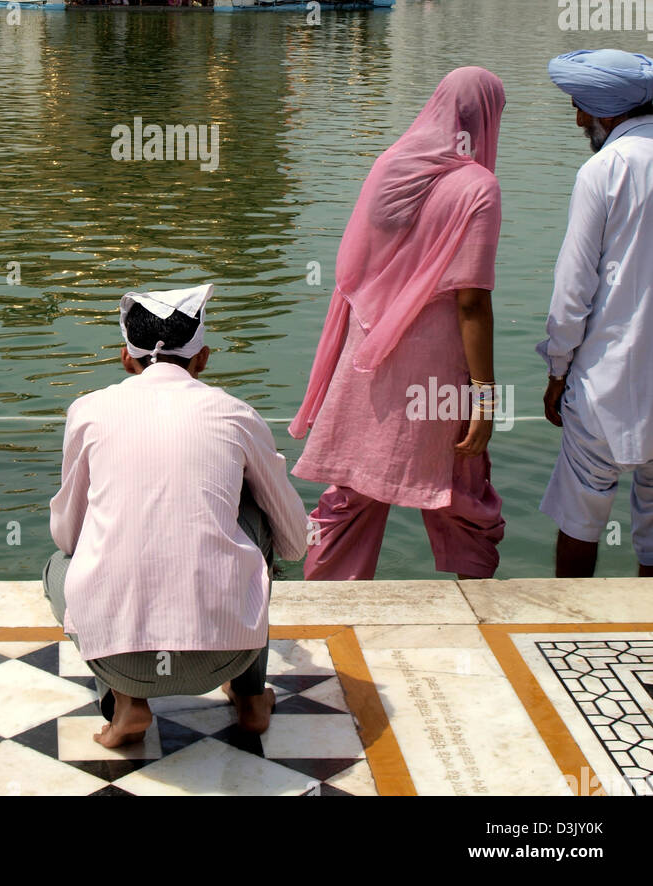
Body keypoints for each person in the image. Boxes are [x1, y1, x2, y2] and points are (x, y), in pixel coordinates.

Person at [43, 283, 308, 748]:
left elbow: (67, 533)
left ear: (126, 358)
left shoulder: (88, 411)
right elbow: (294, 542)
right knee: (256, 517)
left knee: (61, 564)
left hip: (119, 657)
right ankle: (249, 698)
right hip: (227, 651)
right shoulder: (235, 413)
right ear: (202, 358)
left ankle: (124, 702)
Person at [291, 68, 507, 581]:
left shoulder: (393, 165)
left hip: (366, 350)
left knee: (352, 491)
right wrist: (485, 397)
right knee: (461, 485)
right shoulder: (478, 186)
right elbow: (472, 302)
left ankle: (329, 610)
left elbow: (356, 269)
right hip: (438, 363)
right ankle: (479, 608)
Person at [538, 49, 653, 578]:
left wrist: (557, 370)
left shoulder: (604, 169)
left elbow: (573, 290)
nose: (578, 117)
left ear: (608, 111)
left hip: (603, 381)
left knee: (581, 519)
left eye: (582, 107)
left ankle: (569, 629)